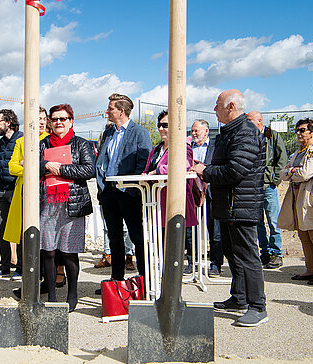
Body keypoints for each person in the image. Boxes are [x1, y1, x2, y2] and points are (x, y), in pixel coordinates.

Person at [190, 89, 267, 327]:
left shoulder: (245, 132)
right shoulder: (229, 133)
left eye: (217, 105)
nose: (214, 110)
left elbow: (236, 171)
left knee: (247, 255)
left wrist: (206, 171)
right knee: (232, 252)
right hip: (229, 204)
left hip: (241, 204)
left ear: (231, 106)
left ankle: (258, 306)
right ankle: (239, 297)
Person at [4, 107, 68, 289]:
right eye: (36, 118)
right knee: (28, 235)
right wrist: (37, 166)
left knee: (50, 236)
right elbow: (12, 168)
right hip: (24, 192)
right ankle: (32, 275)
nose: (40, 121)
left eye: (43, 118)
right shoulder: (21, 141)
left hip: (48, 192)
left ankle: (54, 274)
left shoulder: (51, 140)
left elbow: (56, 165)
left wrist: (30, 164)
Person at [40, 103, 95, 312]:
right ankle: (52, 295)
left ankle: (73, 294)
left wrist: (60, 169)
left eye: (63, 119)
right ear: (50, 122)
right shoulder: (43, 144)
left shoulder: (81, 144)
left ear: (71, 121)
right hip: (47, 204)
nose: (58, 122)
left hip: (72, 203)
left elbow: (89, 169)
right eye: (55, 119)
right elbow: (33, 166)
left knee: (70, 252)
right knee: (49, 251)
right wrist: (45, 166)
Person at [95, 93, 152, 294]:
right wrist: (102, 188)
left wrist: (131, 188)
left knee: (136, 237)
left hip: (129, 193)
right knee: (115, 238)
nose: (107, 111)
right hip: (109, 193)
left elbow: (144, 161)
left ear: (121, 111)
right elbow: (102, 160)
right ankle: (117, 280)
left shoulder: (139, 132)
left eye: (110, 108)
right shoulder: (109, 133)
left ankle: (145, 281)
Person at [278, 118, 313, 285]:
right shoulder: (299, 152)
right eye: (297, 130)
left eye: (302, 130)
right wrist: (292, 172)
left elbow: (305, 174)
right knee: (303, 234)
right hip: (296, 197)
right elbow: (282, 173)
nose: (298, 133)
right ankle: (311, 269)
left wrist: (292, 172)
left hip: (311, 198)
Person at [143, 110, 198, 269]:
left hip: (175, 204)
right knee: (160, 244)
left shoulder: (183, 147)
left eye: (165, 125)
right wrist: (146, 174)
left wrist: (157, 172)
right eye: (159, 125)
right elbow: (148, 170)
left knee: (176, 246)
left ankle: (175, 280)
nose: (161, 129)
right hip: (156, 204)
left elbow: (183, 165)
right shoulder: (155, 150)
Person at [247, 111, 288, 269]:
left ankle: (276, 252)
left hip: (268, 186)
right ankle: (264, 252)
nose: (247, 122)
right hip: (254, 186)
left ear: (259, 121)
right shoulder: (249, 137)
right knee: (257, 222)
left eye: (250, 120)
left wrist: (274, 179)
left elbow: (281, 158)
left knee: (273, 220)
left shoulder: (272, 135)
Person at [0, 109, 24, 280]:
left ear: (8, 122)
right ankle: (4, 267)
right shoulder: (2, 142)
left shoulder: (22, 139)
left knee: (18, 230)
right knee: (1, 229)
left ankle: (20, 268)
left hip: (16, 190)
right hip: (1, 190)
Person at [190, 119, 222, 276]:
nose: (194, 133)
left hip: (211, 192)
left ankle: (216, 263)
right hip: (192, 192)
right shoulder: (188, 147)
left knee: (215, 230)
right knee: (191, 229)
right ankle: (192, 262)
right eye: (192, 131)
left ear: (206, 131)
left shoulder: (216, 146)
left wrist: (204, 168)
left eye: (197, 130)